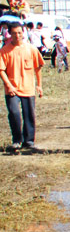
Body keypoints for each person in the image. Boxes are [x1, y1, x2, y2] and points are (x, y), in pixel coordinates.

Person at [0, 22, 44, 152]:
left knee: (29, 114)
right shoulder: (4, 50)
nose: (17, 35)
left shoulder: (31, 49)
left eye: (19, 33)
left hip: (28, 88)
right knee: (14, 113)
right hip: (12, 89)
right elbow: (1, 70)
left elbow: (38, 67)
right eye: (14, 33)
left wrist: (39, 85)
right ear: (10, 34)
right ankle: (17, 140)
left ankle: (29, 141)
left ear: (23, 33)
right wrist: (9, 85)